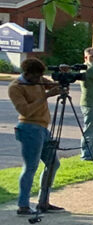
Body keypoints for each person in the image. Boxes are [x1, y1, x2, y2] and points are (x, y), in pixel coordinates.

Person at [8, 58, 67, 216]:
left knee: (53, 164)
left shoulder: (39, 79)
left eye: (40, 76)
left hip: (42, 128)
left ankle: (43, 202)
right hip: (28, 128)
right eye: (35, 77)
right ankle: (23, 205)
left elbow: (57, 86)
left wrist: (61, 76)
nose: (38, 80)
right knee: (31, 167)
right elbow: (25, 111)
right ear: (26, 73)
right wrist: (46, 96)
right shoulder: (15, 87)